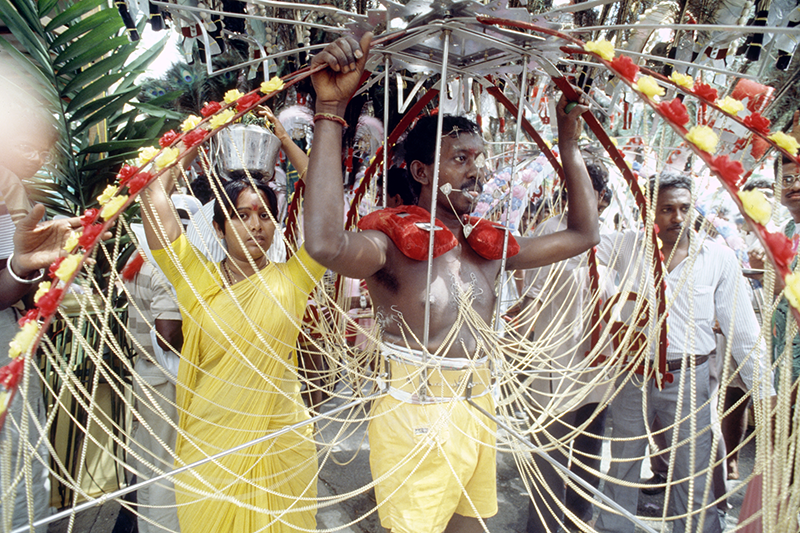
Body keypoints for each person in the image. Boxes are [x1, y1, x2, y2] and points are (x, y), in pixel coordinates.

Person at [304, 33, 600, 533]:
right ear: (421, 170)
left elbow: (582, 233)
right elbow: (326, 245)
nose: (475, 172)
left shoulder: (486, 246)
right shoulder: (390, 242)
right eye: (460, 159)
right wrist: (330, 109)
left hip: (478, 407)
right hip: (414, 415)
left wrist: (568, 145)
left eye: (478, 160)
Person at [139, 161, 326, 531]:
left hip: (282, 443)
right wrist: (184, 148)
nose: (256, 225)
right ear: (218, 227)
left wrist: (293, 144)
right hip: (212, 445)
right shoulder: (197, 281)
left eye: (265, 215)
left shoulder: (295, 278)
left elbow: (329, 218)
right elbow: (151, 199)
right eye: (241, 215)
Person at [595, 172, 774, 533]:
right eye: (666, 209)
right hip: (633, 373)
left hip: (689, 378)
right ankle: (614, 528)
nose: (677, 217)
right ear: (648, 213)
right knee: (624, 463)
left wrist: (765, 392)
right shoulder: (625, 245)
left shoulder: (718, 258)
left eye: (684, 208)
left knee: (692, 470)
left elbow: (743, 332)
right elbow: (581, 242)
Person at [522, 162, 614, 532]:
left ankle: (579, 517)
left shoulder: (614, 238)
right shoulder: (548, 232)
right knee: (549, 452)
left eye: (587, 191)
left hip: (597, 363)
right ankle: (542, 524)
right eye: (570, 189)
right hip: (553, 362)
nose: (575, 197)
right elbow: (530, 299)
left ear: (603, 200)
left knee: (590, 448)